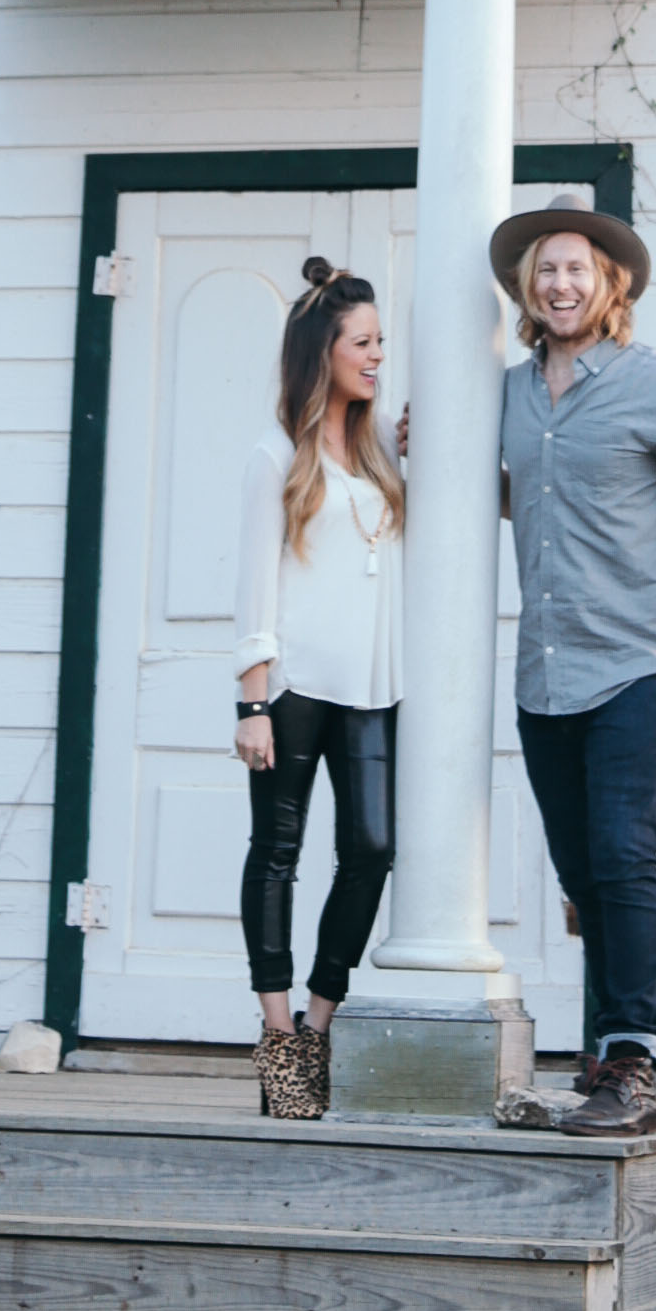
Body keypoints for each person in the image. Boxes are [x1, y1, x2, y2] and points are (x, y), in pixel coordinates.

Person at [492, 202, 656, 1137]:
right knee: (582, 876)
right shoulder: (509, 394)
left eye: (577, 270)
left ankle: (636, 1062)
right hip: (543, 672)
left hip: (639, 663)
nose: (560, 284)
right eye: (545, 271)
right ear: (529, 288)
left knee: (624, 857)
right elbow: (514, 497)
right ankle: (599, 1062)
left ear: (610, 286)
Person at [231, 257, 403, 1118]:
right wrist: (252, 700)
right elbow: (255, 580)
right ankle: (277, 1037)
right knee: (279, 853)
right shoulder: (278, 454)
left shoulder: (377, 453)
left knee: (371, 849)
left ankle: (319, 1021)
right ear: (323, 352)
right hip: (295, 686)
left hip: (374, 686)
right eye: (363, 343)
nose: (377, 356)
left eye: (380, 342)